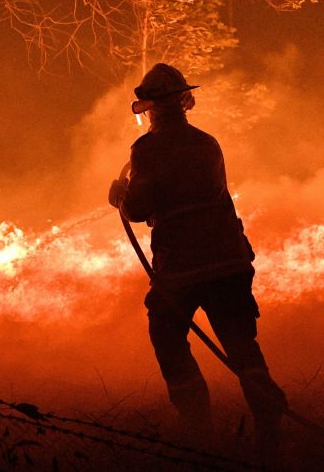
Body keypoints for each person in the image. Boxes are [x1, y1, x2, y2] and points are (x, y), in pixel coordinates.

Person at [108, 63, 287, 456]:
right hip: (228, 261)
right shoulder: (207, 143)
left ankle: (198, 428)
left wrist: (119, 196)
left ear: (151, 108)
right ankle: (267, 416)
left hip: (182, 267)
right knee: (240, 342)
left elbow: (138, 209)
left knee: (167, 335)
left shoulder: (147, 150)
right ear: (184, 102)